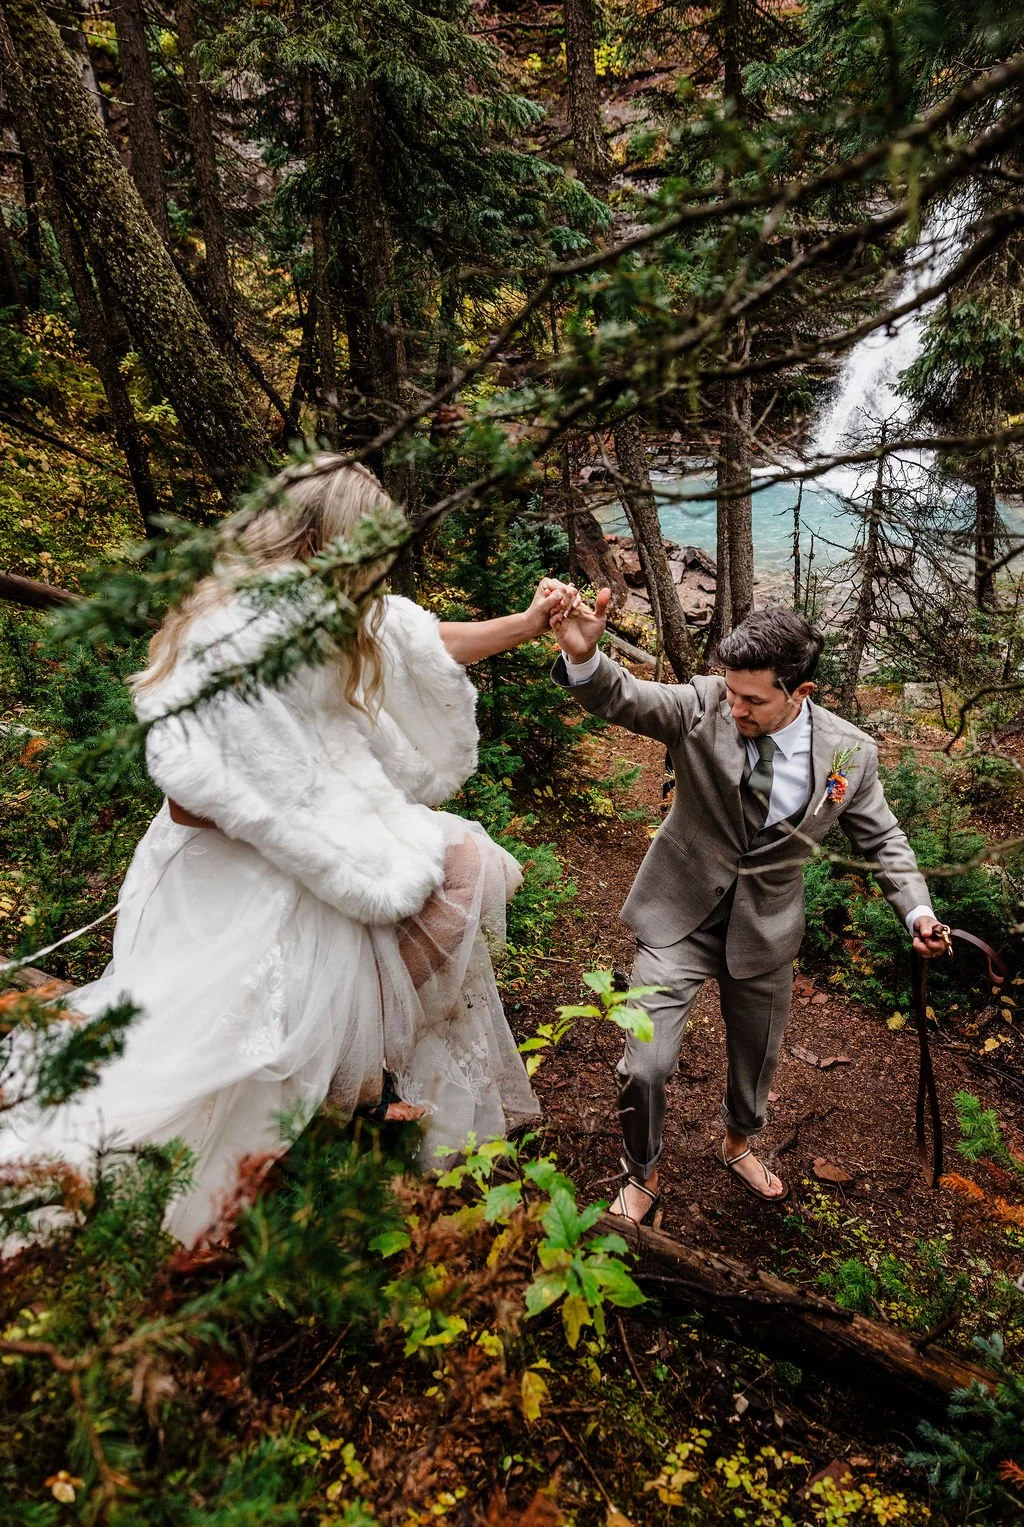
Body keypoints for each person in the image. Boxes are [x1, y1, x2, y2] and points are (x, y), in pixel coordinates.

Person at [1, 456, 571, 1247]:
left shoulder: (327, 607)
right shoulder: (231, 633)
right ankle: (220, 1212)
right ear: (324, 539)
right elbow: (191, 794)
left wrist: (526, 624)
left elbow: (414, 639)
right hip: (226, 882)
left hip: (310, 851)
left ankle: (370, 1083)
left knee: (468, 868)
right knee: (239, 1058)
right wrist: (307, 824)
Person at [548, 589, 949, 1221]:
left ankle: (738, 1142)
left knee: (755, 1061)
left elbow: (883, 839)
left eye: (753, 699)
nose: (735, 706)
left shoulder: (850, 754)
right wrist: (585, 657)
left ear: (802, 691)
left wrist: (917, 912)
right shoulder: (704, 704)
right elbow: (622, 697)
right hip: (675, 916)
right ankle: (642, 1172)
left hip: (765, 932)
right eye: (731, 691)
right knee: (645, 1066)